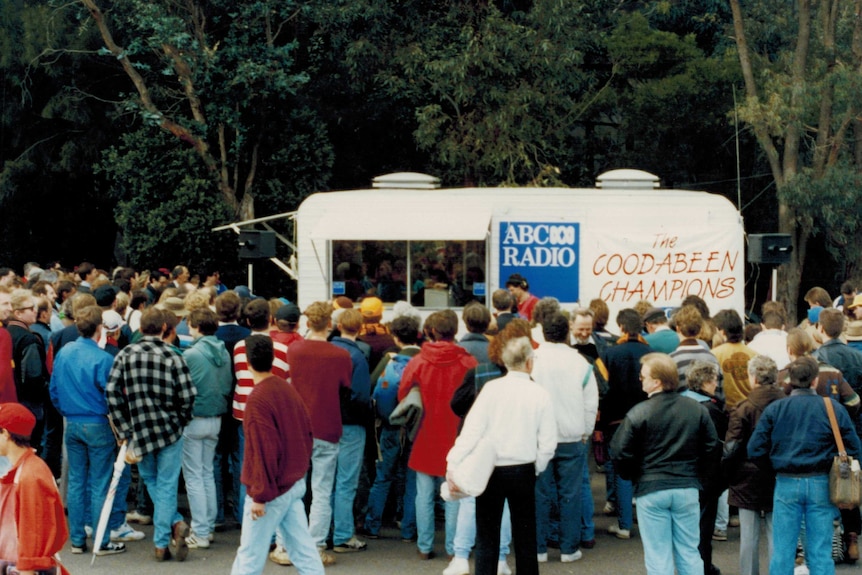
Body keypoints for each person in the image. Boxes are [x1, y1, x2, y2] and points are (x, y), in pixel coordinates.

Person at [446, 336, 556, 575]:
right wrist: (536, 467)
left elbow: (471, 430)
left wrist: (453, 463)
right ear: (529, 362)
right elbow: (548, 442)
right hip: (524, 468)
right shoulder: (540, 393)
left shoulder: (491, 389)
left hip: (491, 469)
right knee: (526, 536)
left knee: (487, 535)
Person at [748, 356, 862, 575]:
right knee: (820, 551)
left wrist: (774, 467)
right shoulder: (833, 408)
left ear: (790, 380)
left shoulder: (776, 409)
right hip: (821, 481)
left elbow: (755, 449)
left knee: (783, 550)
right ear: (815, 381)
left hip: (785, 481)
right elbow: (854, 447)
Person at [611, 353, 719, 575]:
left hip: (651, 488)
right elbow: (712, 448)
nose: (641, 380)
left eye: (643, 377)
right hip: (687, 486)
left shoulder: (639, 412)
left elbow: (620, 452)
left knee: (658, 555)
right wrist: (697, 475)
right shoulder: (696, 409)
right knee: (689, 551)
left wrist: (635, 475)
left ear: (657, 381)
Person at [106, 307, 197, 561]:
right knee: (167, 484)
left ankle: (164, 538)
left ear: (140, 328)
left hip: (138, 429)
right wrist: (181, 421)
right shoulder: (174, 356)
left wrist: (124, 428)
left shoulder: (125, 354)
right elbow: (188, 395)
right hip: (169, 430)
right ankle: (168, 532)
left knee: (151, 480)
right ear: (165, 329)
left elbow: (112, 393)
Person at [230, 336, 323, 575]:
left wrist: (259, 494)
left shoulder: (257, 399)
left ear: (246, 362)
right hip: (292, 483)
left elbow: (262, 449)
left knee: (249, 555)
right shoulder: (287, 389)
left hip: (270, 490)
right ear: (272, 358)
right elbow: (306, 433)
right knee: (303, 550)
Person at [50, 305, 131, 556]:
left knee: (76, 481)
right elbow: (114, 396)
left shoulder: (65, 352)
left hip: (72, 421)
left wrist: (67, 410)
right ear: (100, 328)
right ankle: (101, 540)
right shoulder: (103, 358)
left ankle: (76, 539)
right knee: (100, 482)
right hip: (97, 422)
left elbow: (53, 389)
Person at [398, 310, 478, 560]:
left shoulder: (418, 361)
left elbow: (403, 396)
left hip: (424, 432)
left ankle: (424, 546)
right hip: (457, 434)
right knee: (454, 493)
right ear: (456, 330)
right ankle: (455, 548)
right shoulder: (468, 362)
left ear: (432, 331)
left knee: (423, 494)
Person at [286, 301, 352, 566]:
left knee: (292, 488)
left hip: (298, 427)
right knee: (322, 490)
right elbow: (345, 389)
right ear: (330, 324)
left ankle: (286, 544)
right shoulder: (340, 356)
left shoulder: (294, 350)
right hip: (328, 425)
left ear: (307, 322)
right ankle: (315, 544)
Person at [532, 312, 598, 564]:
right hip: (572, 435)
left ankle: (539, 548)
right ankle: (569, 549)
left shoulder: (533, 360)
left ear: (543, 333)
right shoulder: (581, 363)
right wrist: (585, 432)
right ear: (567, 332)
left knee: (540, 493)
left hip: (539, 437)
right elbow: (590, 403)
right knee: (570, 493)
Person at [722, 355, 784, 575]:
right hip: (779, 473)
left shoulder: (742, 408)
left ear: (753, 377)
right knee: (778, 534)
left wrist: (727, 475)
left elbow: (732, 448)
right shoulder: (786, 404)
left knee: (749, 537)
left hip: (746, 476)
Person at [182, 308, 233, 549]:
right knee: (206, 473)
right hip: (216, 416)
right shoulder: (224, 352)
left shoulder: (191, 354)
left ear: (196, 326)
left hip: (194, 418)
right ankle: (208, 526)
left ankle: (201, 531)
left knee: (194, 476)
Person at [599, 308, 652, 539]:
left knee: (621, 470)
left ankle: (624, 524)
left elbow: (602, 390)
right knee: (644, 469)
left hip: (616, 419)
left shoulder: (610, 354)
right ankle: (649, 520)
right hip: (647, 417)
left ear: (620, 327)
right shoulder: (651, 353)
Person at [0, 402, 70, 575]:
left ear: (6, 434)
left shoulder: (30, 476)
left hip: (26, 569)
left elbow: (33, 534)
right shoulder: (28, 469)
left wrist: (27, 570)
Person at [329, 308, 372, 553]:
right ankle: (343, 534)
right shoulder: (358, 356)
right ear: (361, 327)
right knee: (346, 481)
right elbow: (360, 396)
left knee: (325, 480)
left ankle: (324, 530)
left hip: (325, 420)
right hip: (351, 422)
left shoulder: (326, 349)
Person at [680, 360, 727, 575]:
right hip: (705, 476)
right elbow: (718, 445)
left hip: (681, 472)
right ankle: (704, 565)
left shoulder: (679, 402)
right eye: (715, 379)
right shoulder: (711, 409)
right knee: (703, 525)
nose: (716, 384)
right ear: (707, 381)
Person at [711, 309, 757, 410]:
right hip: (749, 410)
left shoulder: (714, 355)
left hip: (726, 411)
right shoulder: (754, 355)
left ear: (721, 331)